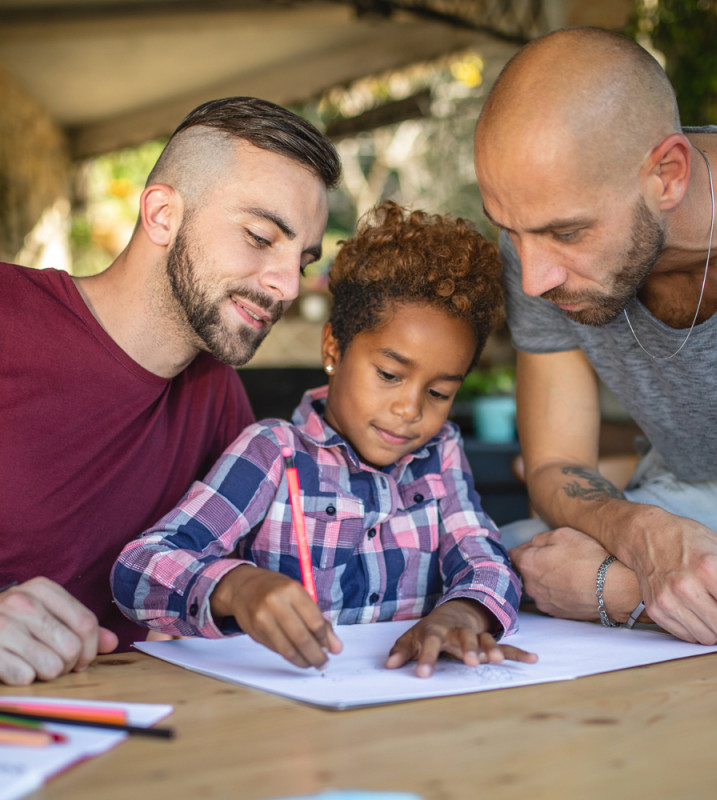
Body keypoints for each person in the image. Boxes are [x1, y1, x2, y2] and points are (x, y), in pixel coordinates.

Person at [112, 201, 536, 678]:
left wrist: (466, 612)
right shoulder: (273, 451)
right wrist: (237, 587)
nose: (411, 409)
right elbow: (140, 567)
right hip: (285, 717)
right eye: (390, 374)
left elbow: (485, 556)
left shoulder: (441, 454)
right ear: (333, 347)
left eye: (439, 393)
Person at [473, 26, 717, 644]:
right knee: (508, 558)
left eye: (566, 233)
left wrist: (622, 590)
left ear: (668, 174)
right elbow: (556, 463)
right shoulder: (534, 236)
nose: (534, 277)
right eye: (511, 231)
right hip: (702, 505)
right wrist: (641, 532)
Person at [0, 96, 341, 685]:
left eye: (303, 258)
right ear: (161, 215)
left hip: (126, 736)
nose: (287, 285)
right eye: (261, 237)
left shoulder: (218, 398)